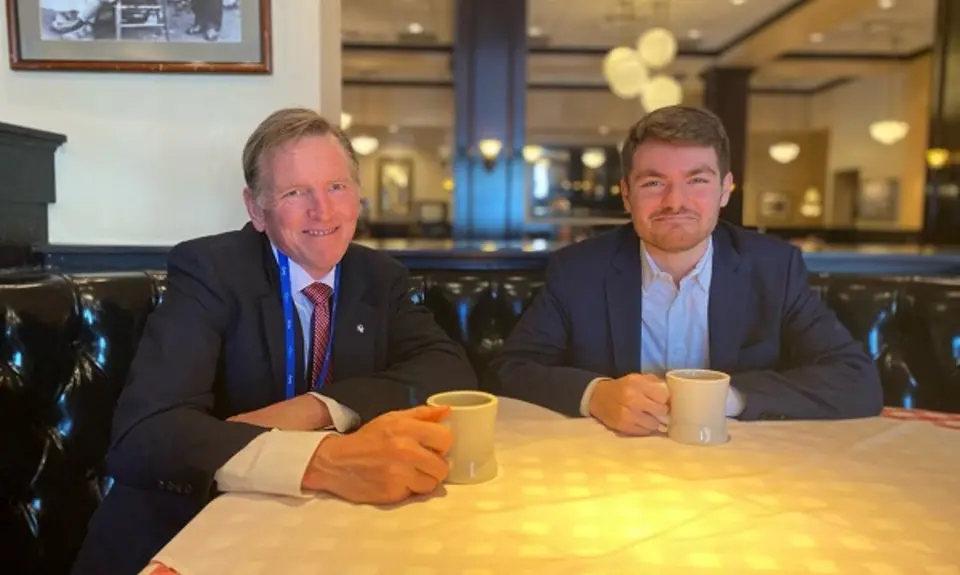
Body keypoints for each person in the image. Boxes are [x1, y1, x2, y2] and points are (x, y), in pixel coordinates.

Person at [71, 108, 477, 575]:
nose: (322, 210)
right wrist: (324, 459)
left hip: (312, 534)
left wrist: (318, 408)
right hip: (185, 533)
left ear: (358, 195)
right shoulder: (210, 270)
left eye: (337, 186)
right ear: (255, 208)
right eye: (294, 192)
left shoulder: (379, 276)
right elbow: (146, 434)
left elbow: (448, 368)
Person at [488, 105, 882, 435]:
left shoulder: (774, 267)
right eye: (653, 183)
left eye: (697, 180)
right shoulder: (578, 270)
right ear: (626, 194)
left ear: (725, 189)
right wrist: (596, 394)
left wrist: (725, 398)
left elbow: (856, 379)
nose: (675, 201)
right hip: (615, 465)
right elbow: (510, 370)